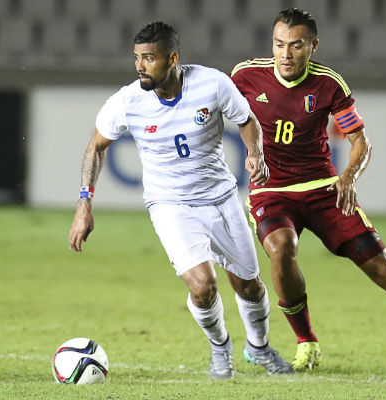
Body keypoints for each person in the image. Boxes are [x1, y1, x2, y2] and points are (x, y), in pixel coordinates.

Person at [231, 8, 386, 375]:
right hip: (271, 190)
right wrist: (251, 151)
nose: (285, 54)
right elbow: (218, 110)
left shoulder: (330, 84)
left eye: (296, 46)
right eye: (279, 45)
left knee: (384, 268)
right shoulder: (245, 75)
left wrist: (348, 177)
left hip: (325, 189)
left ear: (313, 46)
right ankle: (306, 342)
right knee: (281, 247)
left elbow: (360, 141)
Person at [68, 22, 294, 379]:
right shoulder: (128, 101)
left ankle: (260, 347)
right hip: (170, 205)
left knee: (248, 285)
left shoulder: (213, 84)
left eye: (149, 58)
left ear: (173, 58)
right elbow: (95, 147)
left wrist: (255, 153)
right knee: (203, 286)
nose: (140, 66)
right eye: (137, 58)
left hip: (221, 198)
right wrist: (84, 203)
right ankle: (221, 350)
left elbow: (247, 119)